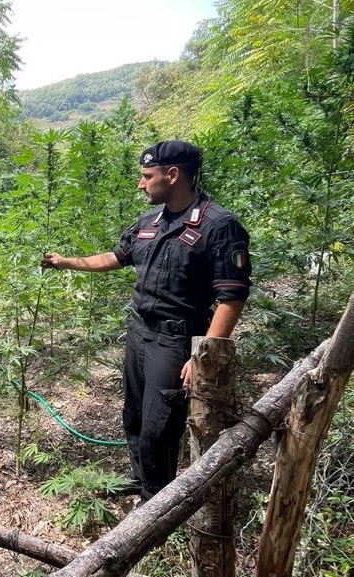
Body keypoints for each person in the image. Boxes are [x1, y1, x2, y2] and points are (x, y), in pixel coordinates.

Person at [41, 140, 251, 502]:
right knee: (135, 416)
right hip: (139, 332)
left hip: (175, 340)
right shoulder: (149, 221)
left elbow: (232, 297)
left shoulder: (219, 225)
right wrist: (67, 261)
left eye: (146, 176)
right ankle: (141, 480)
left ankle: (156, 505)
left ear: (173, 175)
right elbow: (116, 257)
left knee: (160, 427)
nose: (141, 184)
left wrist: (201, 357)